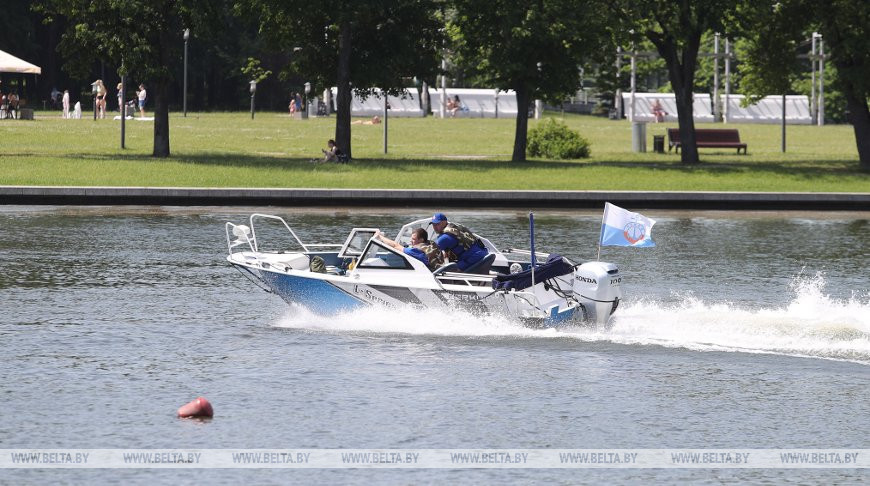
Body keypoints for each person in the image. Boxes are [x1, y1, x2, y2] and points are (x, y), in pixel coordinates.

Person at [376, 227, 444, 270]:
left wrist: (379, 236)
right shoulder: (431, 244)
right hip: (437, 270)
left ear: (421, 240)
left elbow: (395, 246)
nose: (411, 241)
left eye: (413, 239)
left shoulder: (416, 251)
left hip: (429, 276)